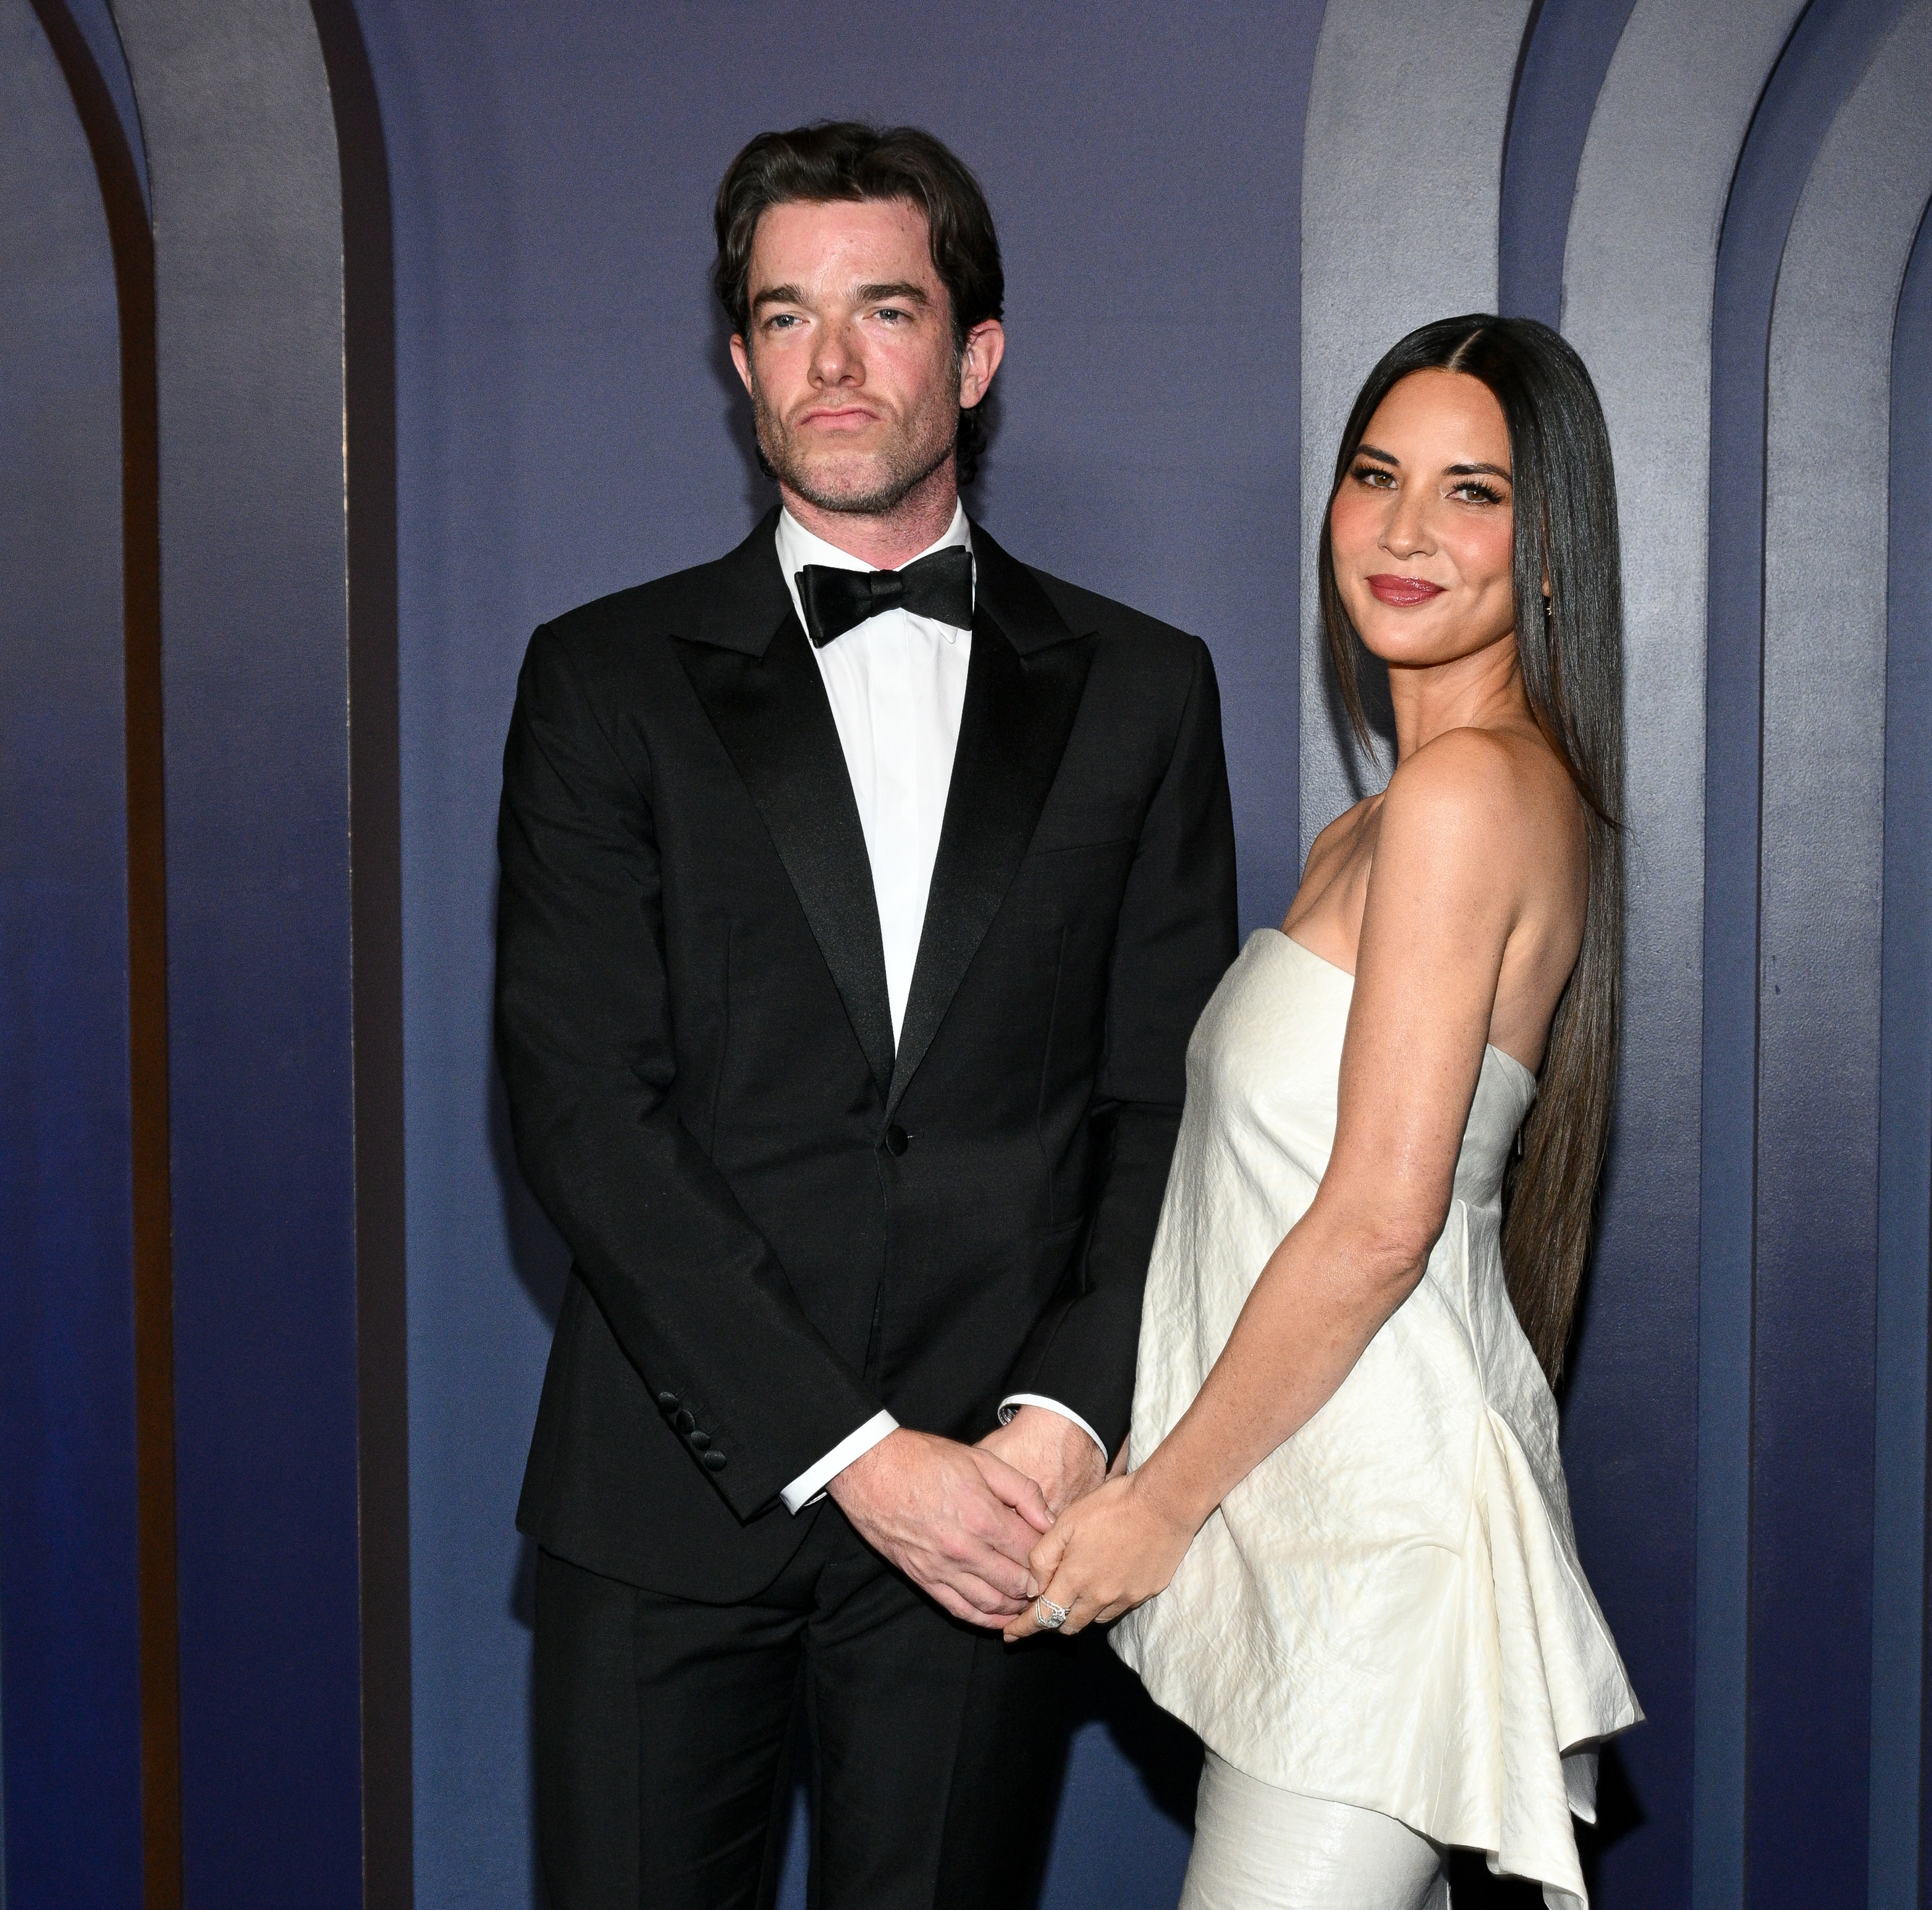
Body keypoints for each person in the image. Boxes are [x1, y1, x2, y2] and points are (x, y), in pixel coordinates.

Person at [496, 122, 1238, 1910]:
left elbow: (1167, 1111)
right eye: (783, 315)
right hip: (673, 1500)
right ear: (741, 361)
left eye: (883, 309)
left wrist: (1061, 1416)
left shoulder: (1143, 691)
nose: (831, 360)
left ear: (974, 357)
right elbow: (586, 1108)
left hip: (997, 1513)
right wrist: (851, 1453)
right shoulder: (600, 680)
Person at [1004, 315, 1643, 1909]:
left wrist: (1156, 1505)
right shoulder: (1388, 816)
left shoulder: (1462, 798)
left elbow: (1374, 1220)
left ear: (1552, 550)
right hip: (1329, 1520)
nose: (1408, 530)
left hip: (1377, 1560)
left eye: (1474, 493)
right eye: (1376, 476)